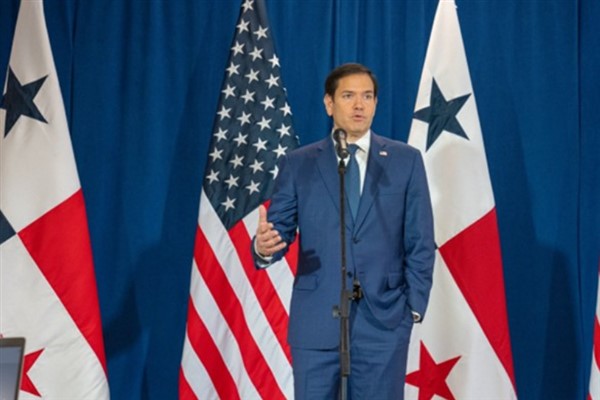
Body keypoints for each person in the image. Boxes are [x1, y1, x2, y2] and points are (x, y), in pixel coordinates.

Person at [253, 63, 435, 399]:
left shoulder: (405, 160)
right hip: (317, 321)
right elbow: (279, 231)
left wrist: (412, 307)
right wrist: (264, 247)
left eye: (367, 96)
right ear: (329, 103)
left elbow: (420, 240)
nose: (359, 105)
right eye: (348, 96)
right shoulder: (299, 163)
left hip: (384, 324)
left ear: (376, 103)